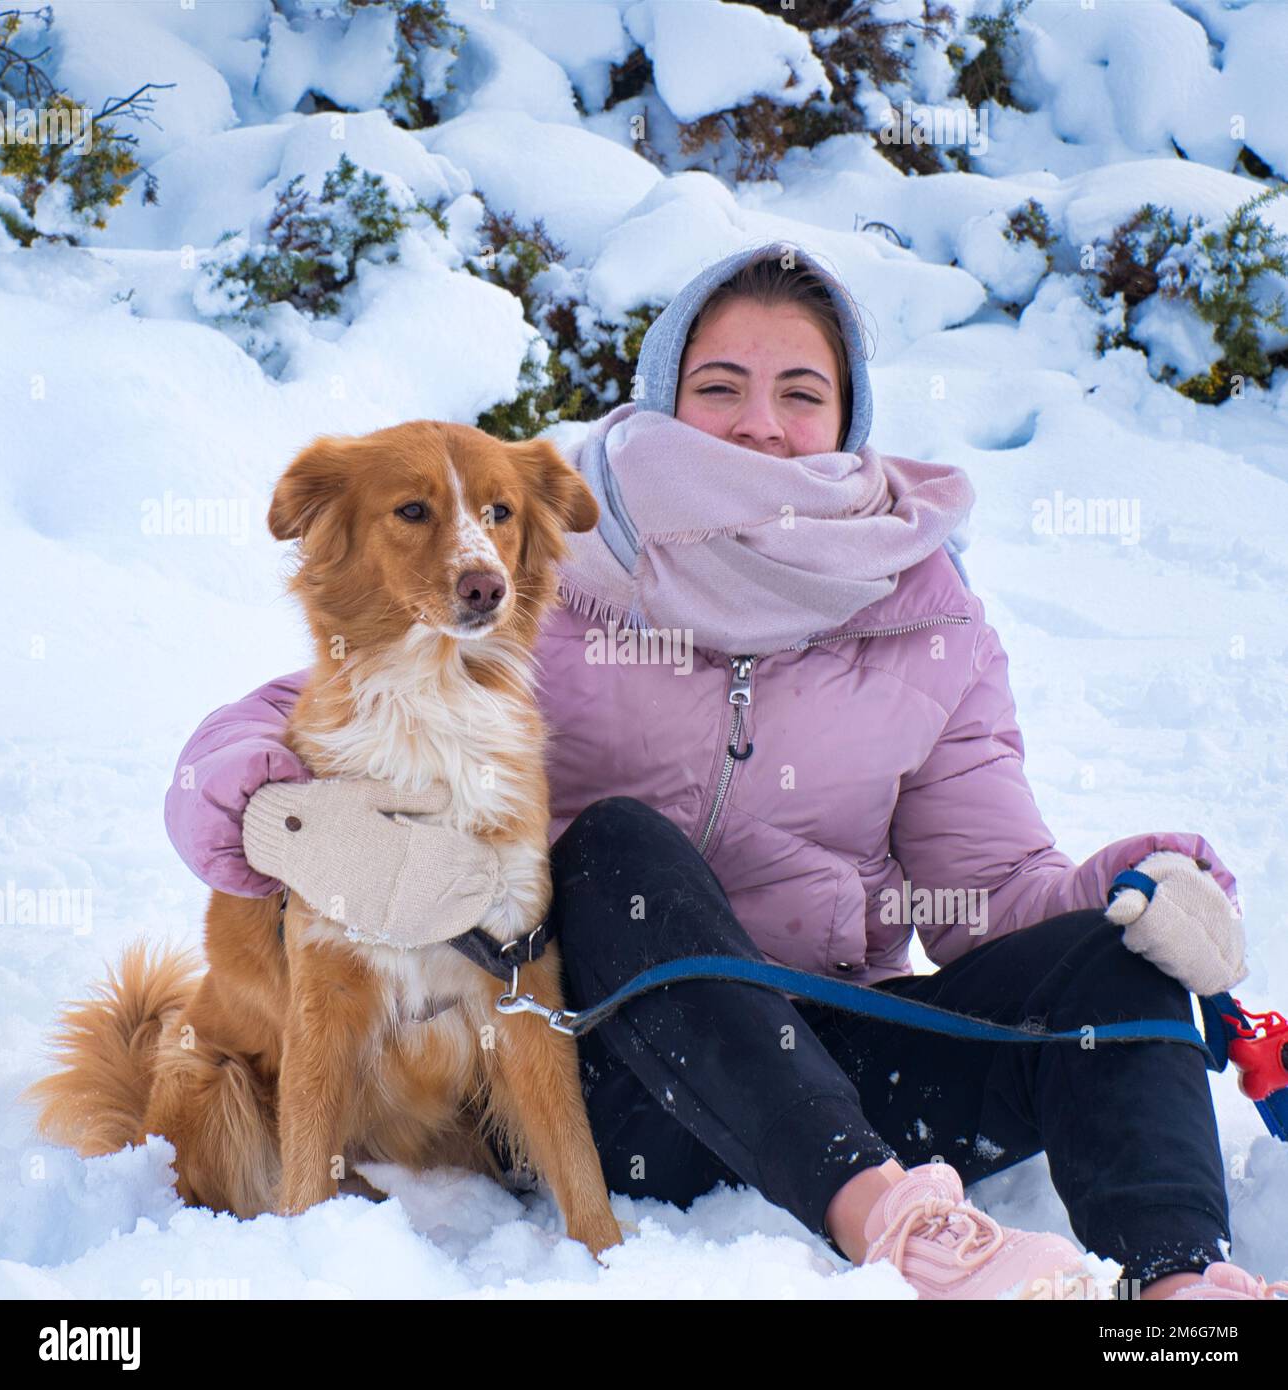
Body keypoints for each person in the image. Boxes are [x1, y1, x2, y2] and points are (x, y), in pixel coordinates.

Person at [165, 240, 1282, 1301]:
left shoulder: (927, 618)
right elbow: (307, 711)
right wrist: (273, 809)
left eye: (801, 391)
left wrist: (1126, 891)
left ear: (846, 420)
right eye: (720, 386)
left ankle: (1182, 1282)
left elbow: (988, 888)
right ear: (662, 402)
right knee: (612, 846)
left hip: (847, 1058)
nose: (762, 424)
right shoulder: (551, 574)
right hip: (620, 1087)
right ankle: (890, 1223)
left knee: (1112, 954)